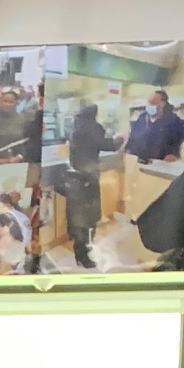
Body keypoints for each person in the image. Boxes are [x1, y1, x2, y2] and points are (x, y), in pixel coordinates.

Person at [63, 103, 118, 269]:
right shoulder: (92, 127)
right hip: (88, 180)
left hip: (75, 180)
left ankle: (80, 249)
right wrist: (122, 138)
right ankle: (83, 255)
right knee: (88, 220)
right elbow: (109, 145)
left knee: (78, 217)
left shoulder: (76, 125)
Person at [123, 90, 184, 162]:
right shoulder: (142, 118)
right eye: (149, 103)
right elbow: (132, 136)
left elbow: (183, 141)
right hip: (139, 162)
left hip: (162, 164)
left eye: (153, 103)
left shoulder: (173, 121)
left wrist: (174, 154)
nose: (150, 106)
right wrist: (127, 149)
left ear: (163, 104)